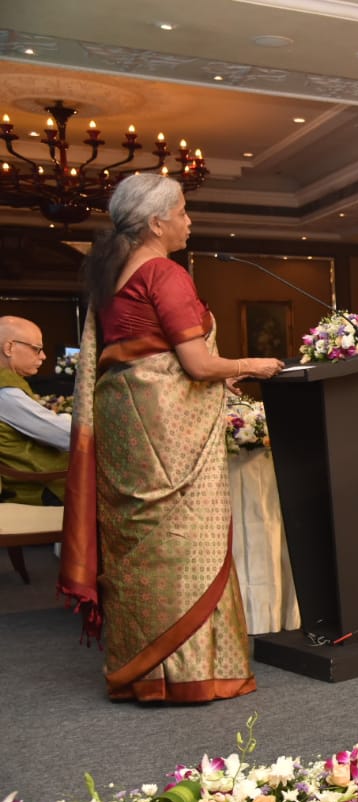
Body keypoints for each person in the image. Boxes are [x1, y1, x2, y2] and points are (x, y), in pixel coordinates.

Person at [59, 173, 283, 703]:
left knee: (136, 546)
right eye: (182, 211)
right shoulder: (164, 272)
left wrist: (212, 371)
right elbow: (196, 363)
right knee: (185, 544)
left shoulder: (111, 274)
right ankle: (188, 673)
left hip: (125, 424)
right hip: (167, 431)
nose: (189, 221)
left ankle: (141, 671)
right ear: (157, 221)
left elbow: (142, 354)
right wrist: (250, 364)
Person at [0, 316, 72, 504]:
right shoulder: (5, 393)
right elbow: (67, 436)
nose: (43, 356)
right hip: (36, 487)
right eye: (37, 349)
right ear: (9, 348)